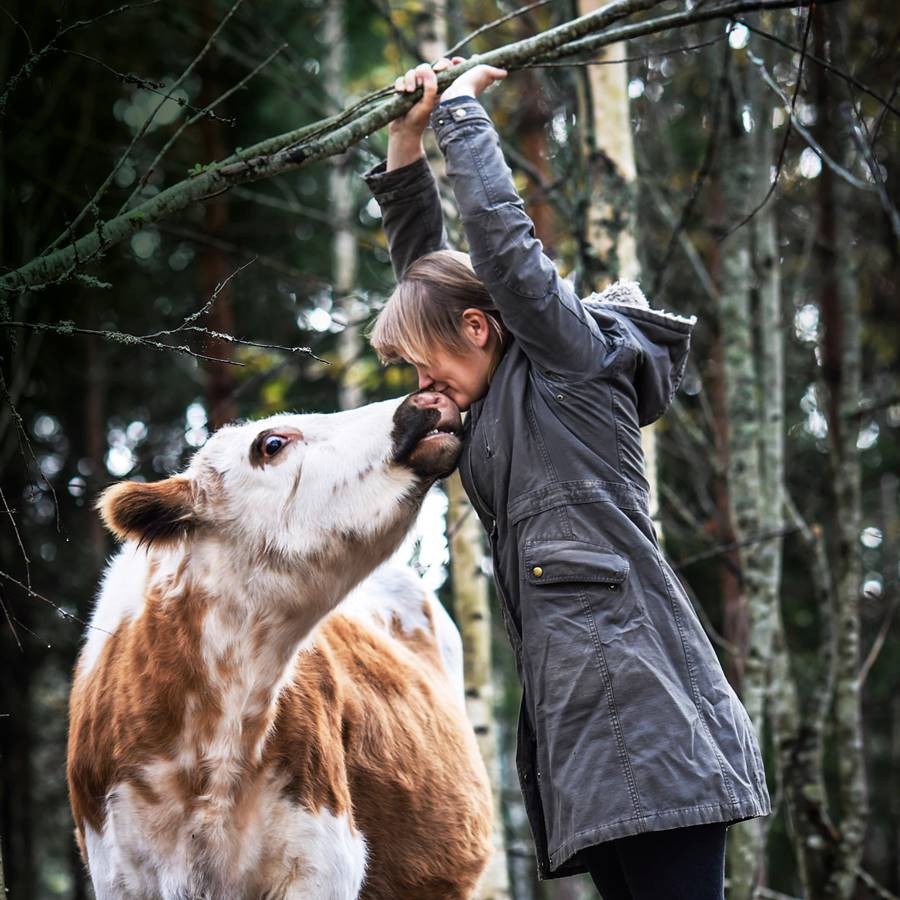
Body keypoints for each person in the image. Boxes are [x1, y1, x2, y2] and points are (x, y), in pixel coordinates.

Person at [362, 57, 771, 900]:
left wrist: (463, 119)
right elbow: (426, 278)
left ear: (480, 330)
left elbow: (504, 259)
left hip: (651, 727)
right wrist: (405, 145)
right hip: (591, 747)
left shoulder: (572, 366)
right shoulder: (497, 408)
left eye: (424, 367)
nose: (421, 390)